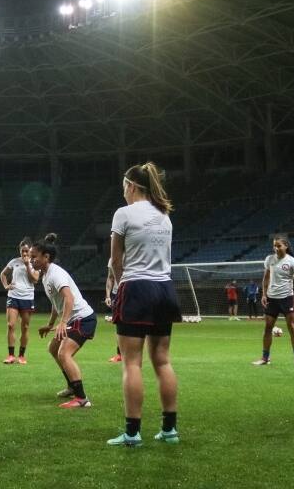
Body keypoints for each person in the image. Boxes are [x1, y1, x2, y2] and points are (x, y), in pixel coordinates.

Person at [107, 162, 182, 447]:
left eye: (124, 187)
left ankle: (132, 433)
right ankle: (170, 430)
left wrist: (117, 285)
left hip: (136, 288)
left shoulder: (123, 214)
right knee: (163, 361)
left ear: (131, 186)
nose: (123, 192)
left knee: (132, 363)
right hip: (164, 289)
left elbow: (116, 261)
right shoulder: (165, 215)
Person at [30, 233, 97, 410]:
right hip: (74, 320)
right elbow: (56, 303)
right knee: (53, 348)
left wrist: (63, 322)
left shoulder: (55, 274)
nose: (31, 261)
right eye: (30, 257)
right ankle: (71, 386)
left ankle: (82, 399)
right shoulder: (45, 276)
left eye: (34, 257)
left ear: (46, 257)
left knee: (63, 353)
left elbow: (69, 299)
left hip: (83, 319)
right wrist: (51, 324)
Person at [252, 235, 294, 367]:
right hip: (271, 299)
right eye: (274, 245)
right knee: (268, 328)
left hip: (287, 299)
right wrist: (264, 295)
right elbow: (266, 279)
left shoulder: (293, 261)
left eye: (279, 245)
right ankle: (265, 358)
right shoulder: (269, 259)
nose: (276, 248)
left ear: (286, 246)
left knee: (292, 327)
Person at [0, 237, 39, 365]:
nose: (24, 253)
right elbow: (3, 274)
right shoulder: (14, 262)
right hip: (13, 296)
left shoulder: (35, 263)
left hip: (27, 297)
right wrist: (6, 286)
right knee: (10, 325)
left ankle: (21, 356)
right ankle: (11, 355)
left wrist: (27, 265)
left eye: (27, 251)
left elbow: (34, 280)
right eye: (22, 251)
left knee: (25, 327)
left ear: (31, 250)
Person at [105, 258, 122, 362]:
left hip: (133, 292)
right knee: (119, 325)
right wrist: (107, 296)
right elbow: (110, 277)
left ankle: (133, 353)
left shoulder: (133, 254)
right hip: (117, 294)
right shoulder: (112, 259)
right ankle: (120, 354)